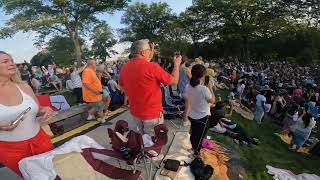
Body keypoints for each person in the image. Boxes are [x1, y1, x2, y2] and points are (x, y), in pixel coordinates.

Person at [0, 51, 54, 176]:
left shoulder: (23, 86)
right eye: (5, 61)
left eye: (12, 60)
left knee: (54, 173)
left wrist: (45, 110)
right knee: (33, 177)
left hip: (40, 140)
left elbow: (38, 110)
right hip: (10, 149)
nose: (12, 64)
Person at [119, 39, 182, 136]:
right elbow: (174, 81)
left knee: (140, 140)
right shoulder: (152, 67)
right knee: (152, 143)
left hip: (135, 112)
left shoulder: (124, 68)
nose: (151, 52)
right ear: (143, 52)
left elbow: (122, 87)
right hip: (152, 114)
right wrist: (176, 65)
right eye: (149, 50)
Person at [184, 64, 215, 155]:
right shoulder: (204, 89)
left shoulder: (188, 86)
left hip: (192, 115)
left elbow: (187, 100)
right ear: (203, 76)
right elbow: (213, 100)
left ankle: (192, 148)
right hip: (202, 117)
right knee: (199, 138)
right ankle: (195, 153)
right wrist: (210, 88)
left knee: (193, 134)